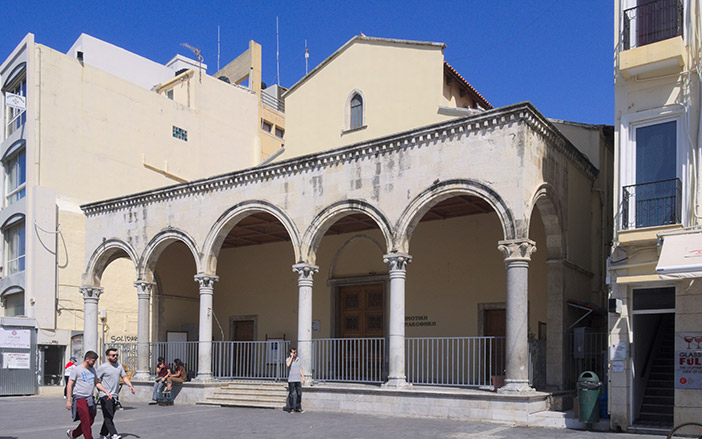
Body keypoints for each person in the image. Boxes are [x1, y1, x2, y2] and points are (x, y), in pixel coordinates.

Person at [65, 351, 111, 439]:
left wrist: (106, 392)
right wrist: (69, 400)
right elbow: (69, 384)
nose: (94, 363)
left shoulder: (92, 370)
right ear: (87, 359)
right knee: (85, 420)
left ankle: (73, 434)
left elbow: (96, 383)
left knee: (90, 419)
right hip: (79, 398)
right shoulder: (77, 369)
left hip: (90, 398)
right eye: (93, 361)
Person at [96, 348, 135, 439]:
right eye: (113, 355)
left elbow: (124, 377)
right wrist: (103, 391)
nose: (115, 357)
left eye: (116, 355)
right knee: (108, 415)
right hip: (105, 395)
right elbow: (96, 380)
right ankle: (114, 434)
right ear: (107, 356)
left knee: (109, 416)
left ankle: (103, 434)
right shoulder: (102, 367)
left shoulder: (119, 366)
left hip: (114, 395)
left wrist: (130, 386)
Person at [285, 347, 305, 413]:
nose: (295, 354)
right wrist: (291, 357)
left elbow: (300, 369)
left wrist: (303, 377)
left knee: (299, 394)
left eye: (295, 352)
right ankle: (291, 408)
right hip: (291, 380)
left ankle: (298, 407)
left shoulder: (298, 360)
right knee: (291, 394)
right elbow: (288, 365)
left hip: (298, 379)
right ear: (291, 353)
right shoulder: (288, 359)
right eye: (293, 352)